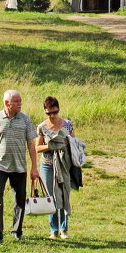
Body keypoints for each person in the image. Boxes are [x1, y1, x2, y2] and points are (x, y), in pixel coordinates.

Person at [0, 89, 39, 243]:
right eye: (16, 101)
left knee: (19, 199)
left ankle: (17, 231)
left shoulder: (25, 120)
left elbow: (32, 145)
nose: (20, 104)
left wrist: (34, 167)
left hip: (19, 166)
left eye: (20, 101)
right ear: (7, 103)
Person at [36, 96, 77, 240]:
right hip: (47, 164)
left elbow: (74, 143)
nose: (52, 116)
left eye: (55, 112)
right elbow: (37, 148)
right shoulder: (42, 127)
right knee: (51, 197)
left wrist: (67, 145)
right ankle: (53, 230)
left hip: (64, 164)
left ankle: (64, 229)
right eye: (49, 113)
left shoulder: (67, 125)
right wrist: (50, 146)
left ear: (58, 110)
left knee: (64, 194)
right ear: (45, 112)